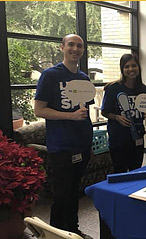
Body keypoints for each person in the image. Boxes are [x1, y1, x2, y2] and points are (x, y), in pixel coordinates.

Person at [34, 34, 93, 238]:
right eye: (71, 45)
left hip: (82, 144)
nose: (75, 49)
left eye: (79, 46)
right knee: (62, 194)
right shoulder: (50, 76)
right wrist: (70, 116)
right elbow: (39, 110)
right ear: (62, 47)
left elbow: (84, 111)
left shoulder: (84, 79)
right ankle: (56, 233)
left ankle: (73, 229)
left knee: (75, 190)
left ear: (83, 50)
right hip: (61, 146)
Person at [101, 54, 146, 173]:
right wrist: (116, 117)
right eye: (126, 66)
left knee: (136, 171)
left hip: (137, 138)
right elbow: (104, 111)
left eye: (134, 65)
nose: (131, 69)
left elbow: (143, 111)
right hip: (118, 139)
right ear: (122, 69)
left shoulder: (144, 89)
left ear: (138, 67)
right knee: (120, 172)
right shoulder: (113, 88)